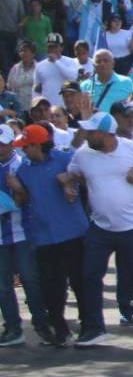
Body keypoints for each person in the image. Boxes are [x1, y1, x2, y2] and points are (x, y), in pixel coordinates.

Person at [66, 111, 133, 347]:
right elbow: (74, 173)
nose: (87, 135)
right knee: (90, 274)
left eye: (92, 132)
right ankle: (94, 328)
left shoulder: (132, 148)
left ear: (105, 134)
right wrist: (69, 184)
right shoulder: (84, 153)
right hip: (100, 227)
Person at [8, 123, 88, 346]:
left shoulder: (65, 158)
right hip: (43, 237)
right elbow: (22, 200)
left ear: (37, 145)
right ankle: (60, 331)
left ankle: (89, 326)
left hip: (73, 232)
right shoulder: (23, 169)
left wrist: (69, 180)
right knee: (51, 287)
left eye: (27, 146)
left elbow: (85, 177)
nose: (23, 150)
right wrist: (18, 189)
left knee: (81, 282)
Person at [0, 122, 53, 347]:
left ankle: (42, 325)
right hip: (1, 238)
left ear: (11, 144)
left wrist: (18, 192)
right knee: (3, 285)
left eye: (2, 144)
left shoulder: (22, 165)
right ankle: (13, 328)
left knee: (30, 280)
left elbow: (29, 198)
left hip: (23, 234)